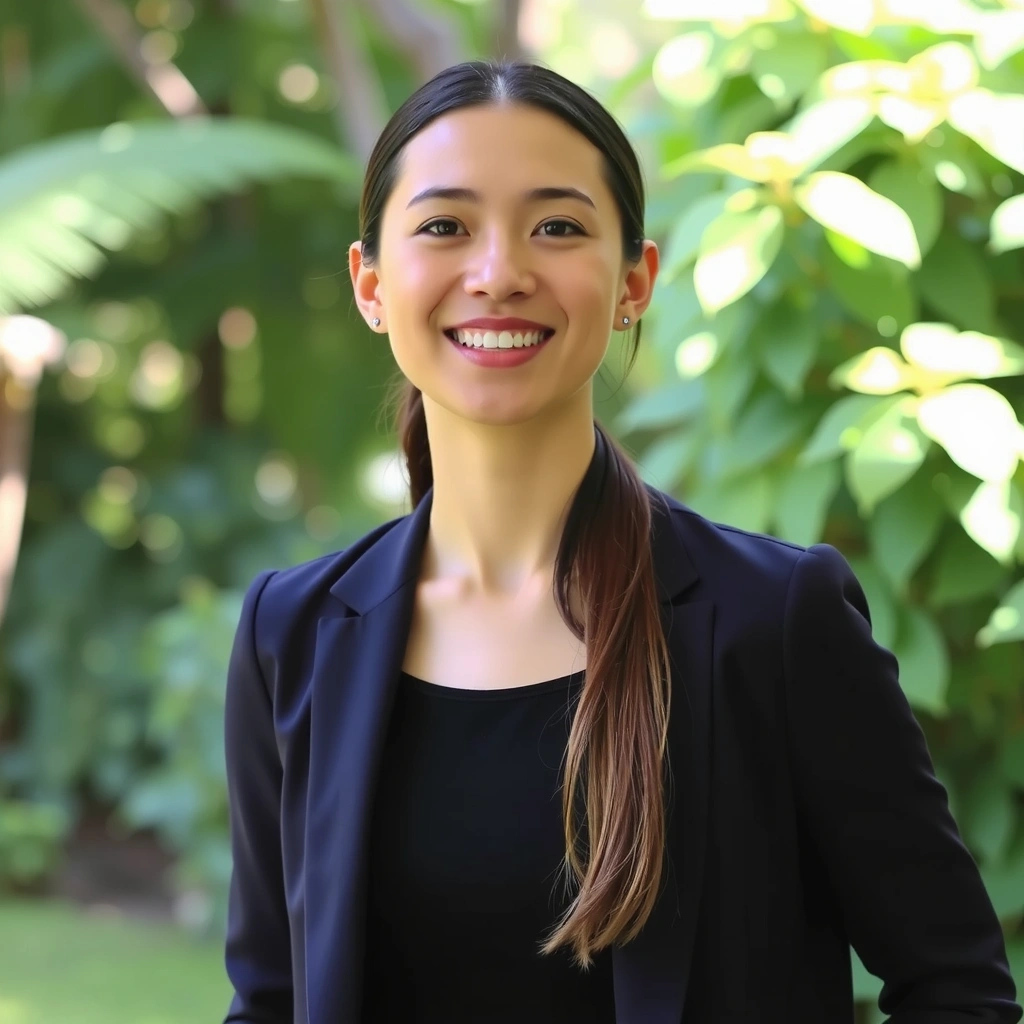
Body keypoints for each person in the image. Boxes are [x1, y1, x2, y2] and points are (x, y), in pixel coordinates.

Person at [221, 60, 1021, 1024]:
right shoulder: (293, 632)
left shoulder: (773, 621)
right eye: (444, 227)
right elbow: (269, 1000)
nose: (499, 272)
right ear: (371, 284)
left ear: (635, 280)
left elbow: (958, 989)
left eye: (557, 226)